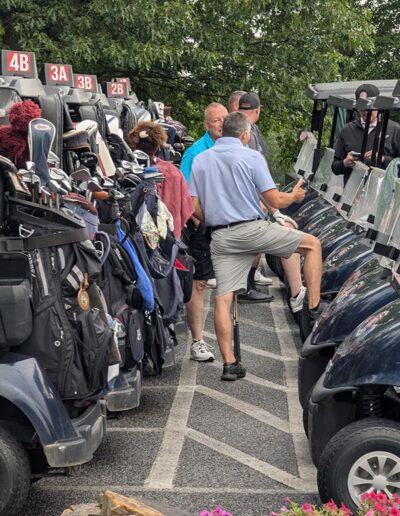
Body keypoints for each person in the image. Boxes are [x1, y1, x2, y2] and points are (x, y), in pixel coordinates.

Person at [189, 112, 324, 380]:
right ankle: (313, 309)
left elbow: (193, 205)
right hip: (251, 229)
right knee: (312, 245)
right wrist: (295, 196)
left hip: (220, 236)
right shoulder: (251, 157)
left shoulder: (201, 160)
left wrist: (214, 218)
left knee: (223, 298)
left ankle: (230, 364)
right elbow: (275, 200)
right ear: (244, 134)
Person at [239, 92, 306, 312]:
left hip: (244, 211)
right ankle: (300, 299)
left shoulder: (249, 132)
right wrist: (285, 202)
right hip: (248, 210)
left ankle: (249, 282)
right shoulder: (248, 135)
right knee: (294, 237)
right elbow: (258, 183)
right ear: (258, 110)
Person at [179, 103, 228, 362]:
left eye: (224, 119)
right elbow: (185, 196)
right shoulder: (195, 153)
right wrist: (201, 223)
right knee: (199, 282)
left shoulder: (233, 149)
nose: (221, 123)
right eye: (216, 120)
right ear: (206, 125)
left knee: (227, 283)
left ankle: (226, 343)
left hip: (227, 225)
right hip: (202, 225)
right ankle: (197, 341)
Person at [127, 121, 194, 240]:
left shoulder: (126, 170)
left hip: (134, 235)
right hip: (167, 237)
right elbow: (186, 209)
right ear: (158, 146)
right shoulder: (173, 173)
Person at [332, 83, 400, 185]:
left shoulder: (394, 129)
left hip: (382, 191)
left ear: (378, 105)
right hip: (352, 192)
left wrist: (382, 159)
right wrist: (345, 163)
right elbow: (335, 167)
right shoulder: (347, 130)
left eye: (369, 108)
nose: (366, 112)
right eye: (363, 108)